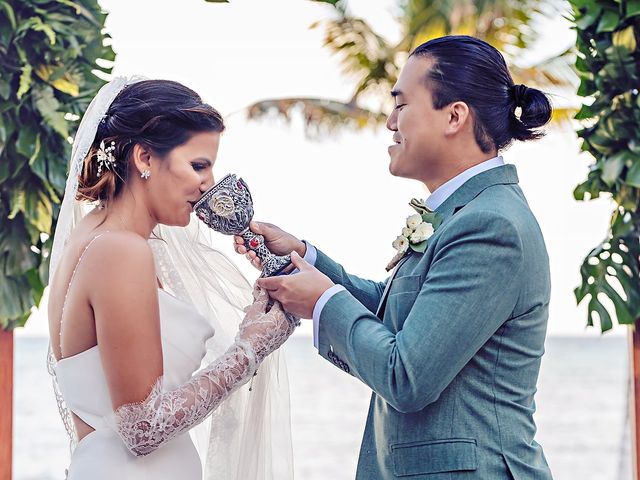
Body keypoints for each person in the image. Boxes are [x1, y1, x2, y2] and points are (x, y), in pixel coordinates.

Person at [236, 35, 554, 479]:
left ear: (455, 116)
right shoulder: (465, 212)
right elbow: (402, 312)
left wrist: (323, 301)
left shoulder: (491, 226)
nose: (389, 122)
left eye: (401, 105)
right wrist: (304, 259)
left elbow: (407, 376)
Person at [46, 77, 295, 480]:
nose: (208, 184)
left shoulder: (97, 235)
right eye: (198, 165)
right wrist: (250, 348)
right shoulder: (120, 251)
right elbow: (143, 428)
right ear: (144, 157)